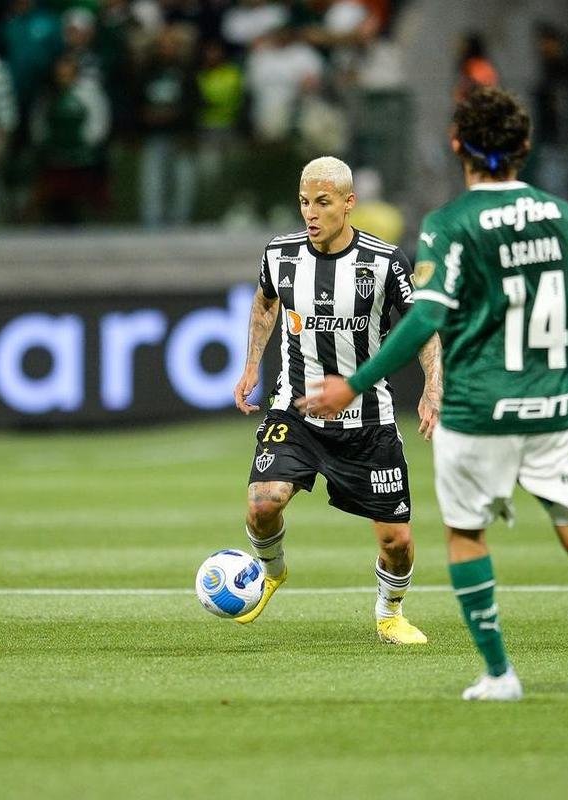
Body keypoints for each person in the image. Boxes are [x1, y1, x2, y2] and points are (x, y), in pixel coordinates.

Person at [305, 87, 568, 700]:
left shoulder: (452, 223)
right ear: (524, 147)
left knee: (466, 535)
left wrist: (357, 383)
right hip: (560, 405)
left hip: (479, 409)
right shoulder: (563, 216)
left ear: (457, 146)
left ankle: (500, 674)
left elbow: (422, 319)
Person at [232, 155, 442, 644]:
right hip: (296, 409)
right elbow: (266, 302)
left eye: (322, 202)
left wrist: (433, 386)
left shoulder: (385, 262)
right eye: (304, 202)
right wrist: (250, 365)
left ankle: (390, 612)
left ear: (349, 204)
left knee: (397, 541)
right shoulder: (279, 255)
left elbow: (421, 327)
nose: (310, 212)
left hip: (367, 420)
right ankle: (272, 570)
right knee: (263, 503)